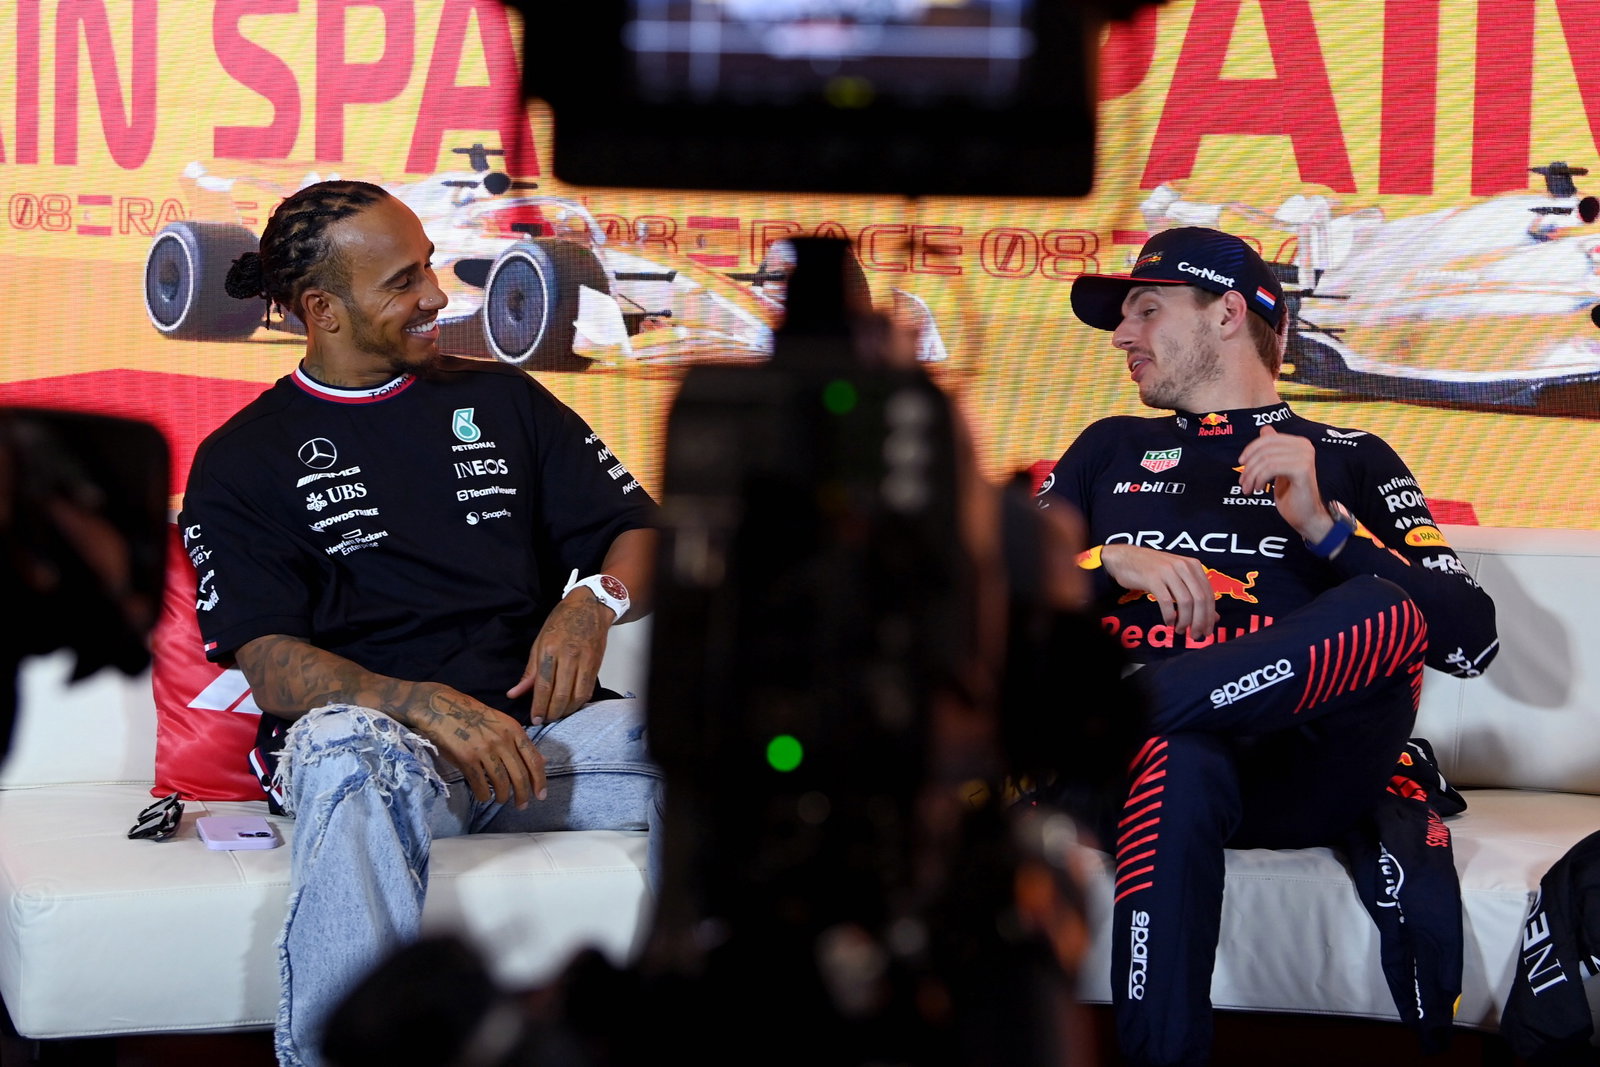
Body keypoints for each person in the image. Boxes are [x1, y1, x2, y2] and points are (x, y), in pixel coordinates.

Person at [178, 180, 661, 1067]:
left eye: (430, 267)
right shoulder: (242, 458)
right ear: (323, 310)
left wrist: (596, 601)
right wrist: (419, 704)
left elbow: (641, 532)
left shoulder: (505, 400)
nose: (437, 295)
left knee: (724, 740)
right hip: (379, 750)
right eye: (403, 281)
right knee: (345, 751)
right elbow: (273, 664)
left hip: (537, 745)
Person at [1037, 226, 1499, 1067]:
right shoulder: (1108, 447)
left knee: (1385, 601)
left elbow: (1471, 641)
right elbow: (991, 603)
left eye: (1146, 309)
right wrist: (1105, 562)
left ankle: (1130, 711)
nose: (1121, 335)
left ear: (1225, 313)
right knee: (1180, 756)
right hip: (1146, 767)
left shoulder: (1353, 456)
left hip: (1302, 764)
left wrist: (1329, 530)